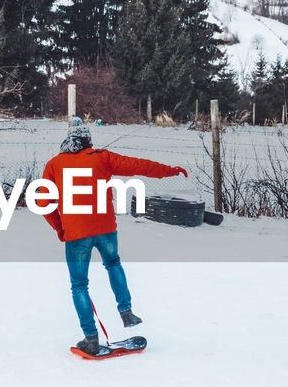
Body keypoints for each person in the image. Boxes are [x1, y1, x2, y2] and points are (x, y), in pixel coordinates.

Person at [40, 118, 188, 353]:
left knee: (79, 285)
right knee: (113, 263)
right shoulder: (101, 157)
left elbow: (43, 201)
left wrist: (60, 228)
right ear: (87, 140)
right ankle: (126, 311)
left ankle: (90, 337)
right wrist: (169, 171)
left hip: (77, 234)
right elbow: (138, 165)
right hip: (106, 229)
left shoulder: (54, 164)